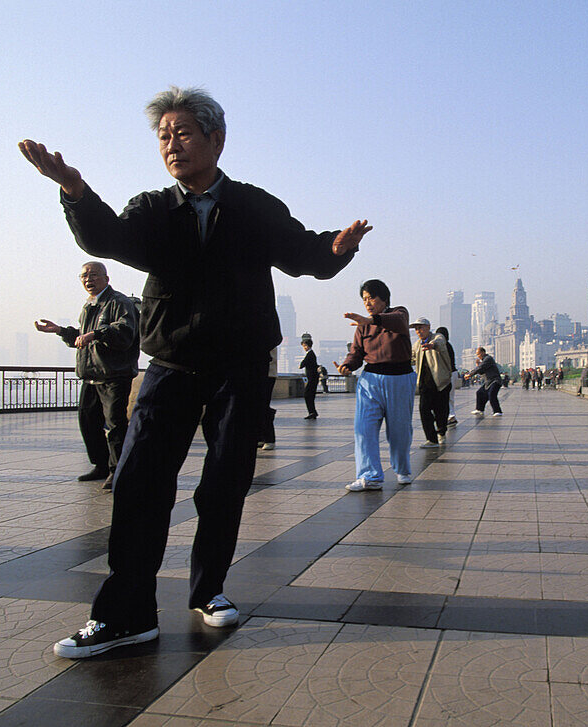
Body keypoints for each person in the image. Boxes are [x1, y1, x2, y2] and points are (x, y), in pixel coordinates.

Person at [19, 85, 370, 658]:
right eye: (163, 137)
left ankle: (210, 591)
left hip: (239, 368)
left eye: (182, 133)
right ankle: (127, 614)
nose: (172, 145)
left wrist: (338, 250)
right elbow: (106, 237)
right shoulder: (153, 209)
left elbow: (306, 254)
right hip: (170, 366)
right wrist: (74, 191)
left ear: (216, 138)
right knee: (138, 484)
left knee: (224, 484)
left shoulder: (254, 205)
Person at [35, 262, 139, 489]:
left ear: (106, 278)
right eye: (83, 276)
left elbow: (125, 333)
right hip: (91, 374)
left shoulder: (119, 302)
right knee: (88, 422)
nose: (88, 279)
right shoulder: (89, 306)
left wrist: (96, 334)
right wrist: (60, 330)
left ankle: (117, 469)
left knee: (115, 426)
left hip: (114, 375)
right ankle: (101, 465)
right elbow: (82, 339)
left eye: (93, 275)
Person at [335, 280, 413, 491]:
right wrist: (347, 365)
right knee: (364, 428)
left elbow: (398, 320)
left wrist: (372, 320)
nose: (367, 303)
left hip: (399, 378)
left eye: (371, 298)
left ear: (383, 298)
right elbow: (356, 353)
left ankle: (402, 469)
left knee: (399, 430)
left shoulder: (399, 314)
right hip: (370, 380)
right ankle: (369, 476)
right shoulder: (362, 327)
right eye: (364, 299)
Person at [410, 317, 452, 448]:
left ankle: (441, 431)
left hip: (440, 382)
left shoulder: (437, 337)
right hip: (424, 384)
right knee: (424, 410)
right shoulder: (417, 344)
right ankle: (431, 439)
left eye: (421, 328)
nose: (418, 331)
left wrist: (432, 346)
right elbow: (411, 359)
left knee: (441, 410)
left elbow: (439, 343)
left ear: (428, 327)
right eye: (416, 329)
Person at [466, 347, 502, 417]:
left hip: (495, 380)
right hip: (488, 382)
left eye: (478, 354)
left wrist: (470, 374)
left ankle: (497, 411)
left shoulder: (488, 358)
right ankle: (480, 409)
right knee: (480, 393)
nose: (478, 356)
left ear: (483, 352)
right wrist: (478, 365)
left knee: (492, 394)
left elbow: (480, 368)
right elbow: (481, 371)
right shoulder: (484, 361)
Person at [434, 326, 458, 426]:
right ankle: (451, 416)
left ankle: (449, 417)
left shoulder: (442, 345)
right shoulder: (449, 345)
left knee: (444, 397)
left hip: (447, 374)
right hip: (453, 373)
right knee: (450, 397)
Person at [299, 336, 319, 419]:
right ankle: (313, 412)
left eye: (304, 346)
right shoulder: (311, 354)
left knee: (307, 395)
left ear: (307, 345)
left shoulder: (310, 354)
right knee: (310, 395)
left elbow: (302, 364)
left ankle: (312, 412)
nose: (304, 348)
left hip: (312, 378)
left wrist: (301, 364)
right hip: (313, 378)